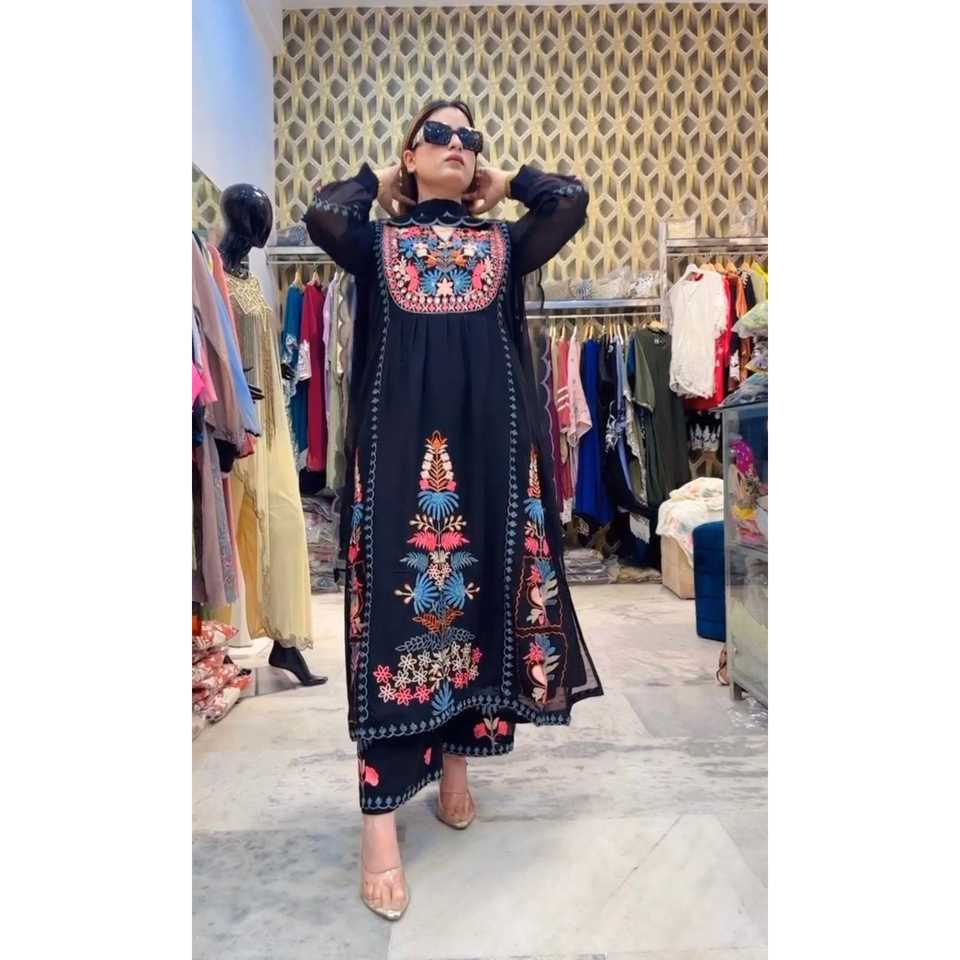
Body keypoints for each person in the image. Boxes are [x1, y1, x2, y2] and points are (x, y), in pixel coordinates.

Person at [303, 98, 604, 921]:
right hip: (402, 462)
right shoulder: (377, 244)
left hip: (488, 461)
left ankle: (457, 767)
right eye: (437, 134)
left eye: (469, 138)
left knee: (474, 608)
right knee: (397, 621)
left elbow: (569, 201)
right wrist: (385, 180)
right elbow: (322, 213)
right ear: (409, 154)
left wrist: (507, 181)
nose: (457, 145)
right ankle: (378, 821)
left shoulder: (504, 244)